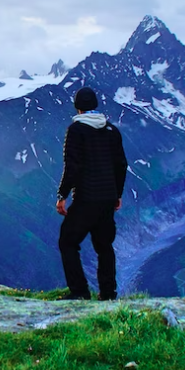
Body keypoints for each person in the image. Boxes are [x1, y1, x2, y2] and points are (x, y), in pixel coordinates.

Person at [55, 86, 128, 301]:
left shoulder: (76, 131)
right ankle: (108, 294)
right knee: (104, 246)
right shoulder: (111, 130)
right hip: (107, 199)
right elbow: (121, 164)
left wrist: (62, 195)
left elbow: (73, 167)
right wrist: (117, 194)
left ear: (78, 108)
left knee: (68, 242)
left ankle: (79, 292)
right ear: (94, 106)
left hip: (86, 198)